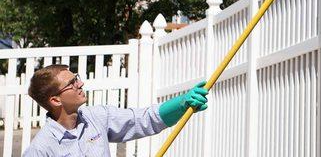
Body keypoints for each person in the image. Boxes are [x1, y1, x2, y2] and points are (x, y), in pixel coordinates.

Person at [23, 64, 208, 156]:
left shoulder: (97, 117)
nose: (80, 83)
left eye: (76, 78)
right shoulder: (41, 149)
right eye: (72, 83)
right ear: (55, 100)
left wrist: (181, 104)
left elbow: (142, 119)